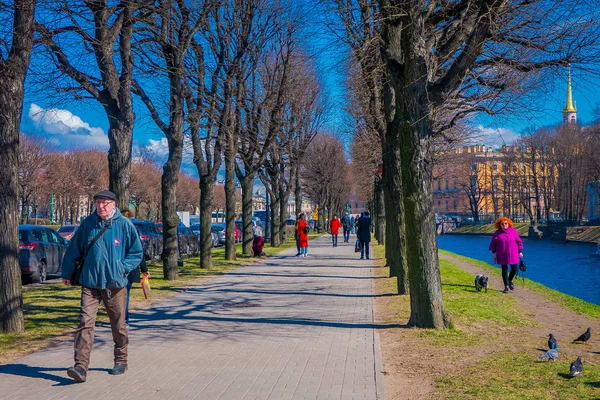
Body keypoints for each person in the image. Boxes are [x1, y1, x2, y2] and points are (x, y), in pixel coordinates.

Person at [61, 190, 143, 383]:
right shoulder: (88, 224)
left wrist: (122, 268)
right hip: (90, 283)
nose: (101, 207)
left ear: (113, 205)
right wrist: (67, 272)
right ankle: (80, 366)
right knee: (84, 323)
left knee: (118, 325)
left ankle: (121, 359)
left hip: (114, 285)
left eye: (105, 203)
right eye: (98, 203)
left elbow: (136, 252)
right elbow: (74, 248)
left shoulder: (124, 225)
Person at [121, 209, 150, 325]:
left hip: (116, 267)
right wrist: (144, 269)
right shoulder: (133, 231)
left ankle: (119, 318)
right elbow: (139, 253)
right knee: (126, 294)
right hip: (131, 267)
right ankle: (124, 320)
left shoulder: (114, 230)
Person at [489, 217, 524, 293]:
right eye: (502, 224)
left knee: (514, 268)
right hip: (502, 253)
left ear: (508, 224)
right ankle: (506, 286)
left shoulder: (513, 231)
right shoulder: (497, 233)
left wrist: (520, 251)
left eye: (506, 223)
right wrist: (494, 253)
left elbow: (519, 242)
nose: (504, 225)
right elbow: (493, 244)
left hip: (513, 253)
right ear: (499, 225)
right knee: (504, 269)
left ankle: (510, 280)